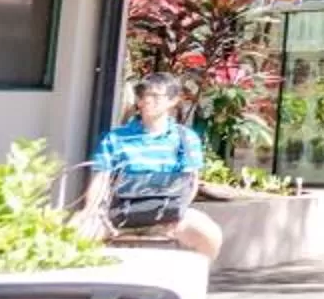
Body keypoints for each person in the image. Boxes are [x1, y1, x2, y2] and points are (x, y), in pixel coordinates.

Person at [81, 73, 224, 259]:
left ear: (172, 101)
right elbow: (100, 180)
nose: (147, 100)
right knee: (75, 233)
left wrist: (177, 213)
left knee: (209, 234)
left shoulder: (186, 138)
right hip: (118, 213)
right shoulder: (115, 138)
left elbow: (191, 182)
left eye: (155, 96)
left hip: (168, 215)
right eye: (143, 95)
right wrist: (90, 212)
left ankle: (193, 282)